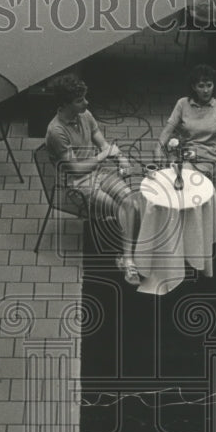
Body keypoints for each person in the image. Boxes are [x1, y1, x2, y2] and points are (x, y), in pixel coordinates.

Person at [45, 74, 143, 285]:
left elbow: (102, 142)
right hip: (78, 183)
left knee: (130, 201)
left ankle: (127, 252)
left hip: (99, 171)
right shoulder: (56, 131)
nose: (86, 103)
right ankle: (128, 260)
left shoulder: (85, 114)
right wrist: (103, 156)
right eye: (80, 100)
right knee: (121, 210)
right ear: (64, 104)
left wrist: (120, 158)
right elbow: (77, 169)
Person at [156, 64, 216, 191]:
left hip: (208, 160)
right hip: (186, 156)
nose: (206, 90)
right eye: (201, 86)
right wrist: (158, 148)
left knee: (184, 185)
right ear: (193, 87)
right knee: (174, 181)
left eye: (209, 85)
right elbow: (168, 130)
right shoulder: (182, 104)